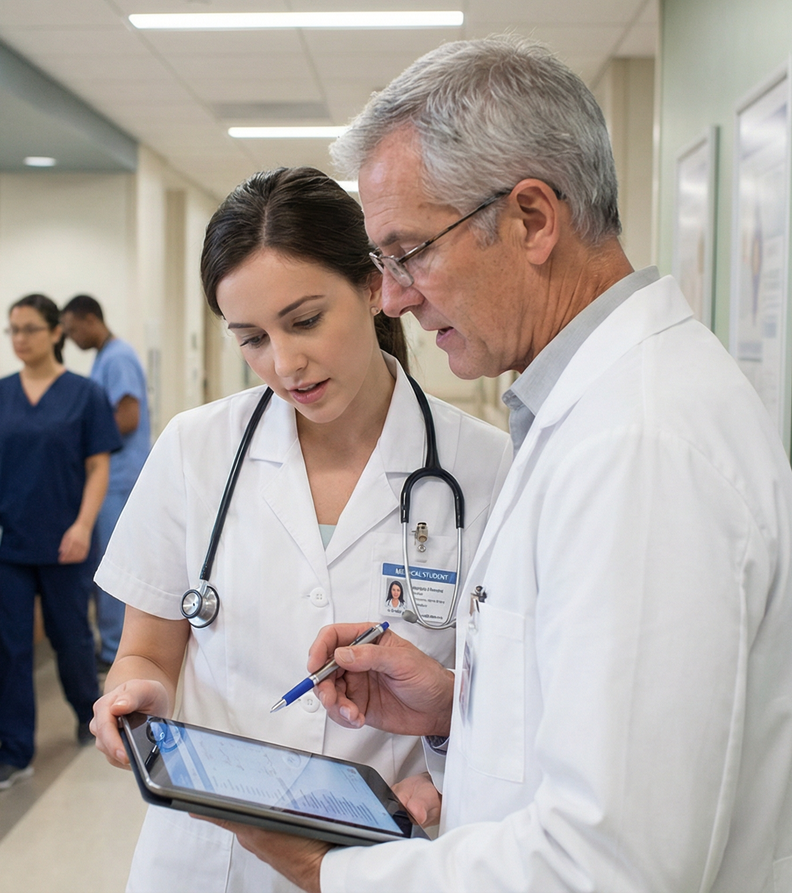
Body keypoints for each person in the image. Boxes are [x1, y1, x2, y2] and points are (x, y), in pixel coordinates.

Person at [215, 37, 792, 893]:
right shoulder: (586, 408)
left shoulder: (638, 445)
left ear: (533, 220)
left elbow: (610, 864)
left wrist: (337, 876)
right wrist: (454, 711)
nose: (392, 296)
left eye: (407, 253)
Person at [87, 166, 512, 892]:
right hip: (206, 859)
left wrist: (448, 751)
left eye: (305, 319)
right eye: (251, 338)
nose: (284, 363)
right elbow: (145, 655)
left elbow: (509, 704)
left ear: (374, 285)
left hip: (384, 857)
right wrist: (139, 694)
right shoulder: (197, 450)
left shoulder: (485, 468)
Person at [0, 293, 122, 791]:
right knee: (9, 648)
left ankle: (84, 709)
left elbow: (99, 466)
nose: (20, 339)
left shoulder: (84, 394)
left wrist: (82, 525)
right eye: (13, 330)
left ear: (55, 333)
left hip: (63, 542)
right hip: (4, 543)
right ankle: (13, 751)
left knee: (70, 638)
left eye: (29, 329)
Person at [59, 294, 150, 668]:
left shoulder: (118, 358)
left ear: (90, 319)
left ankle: (114, 650)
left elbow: (127, 416)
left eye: (72, 329)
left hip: (119, 478)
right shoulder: (105, 358)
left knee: (113, 568)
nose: (71, 338)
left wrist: (82, 442)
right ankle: (110, 645)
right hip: (112, 478)